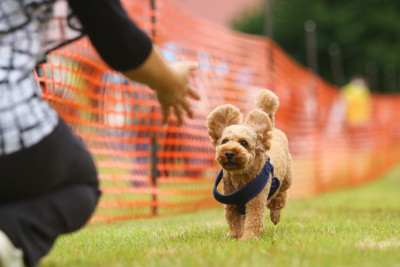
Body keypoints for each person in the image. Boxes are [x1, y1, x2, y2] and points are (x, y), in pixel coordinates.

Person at [0, 0, 200, 266]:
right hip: (10, 115)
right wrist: (168, 79)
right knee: (80, 182)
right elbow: (114, 34)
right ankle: (10, 237)